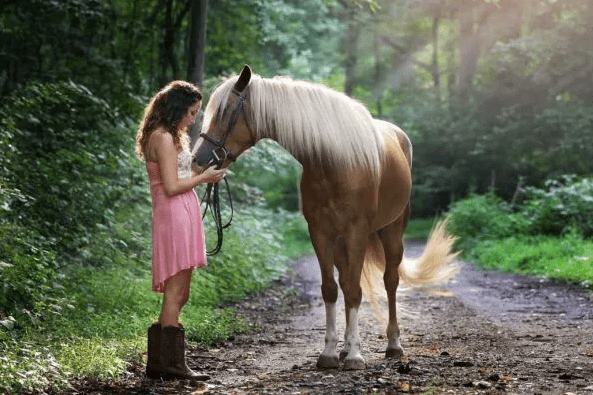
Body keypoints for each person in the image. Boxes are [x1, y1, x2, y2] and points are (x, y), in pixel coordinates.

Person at [135, 81, 226, 380]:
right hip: (173, 213)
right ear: (175, 108)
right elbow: (172, 187)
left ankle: (160, 361)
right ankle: (171, 364)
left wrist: (208, 171)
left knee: (182, 292)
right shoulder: (161, 137)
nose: (192, 119)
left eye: (195, 113)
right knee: (175, 292)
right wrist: (203, 180)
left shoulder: (175, 136)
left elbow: (184, 173)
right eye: (189, 112)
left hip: (183, 212)